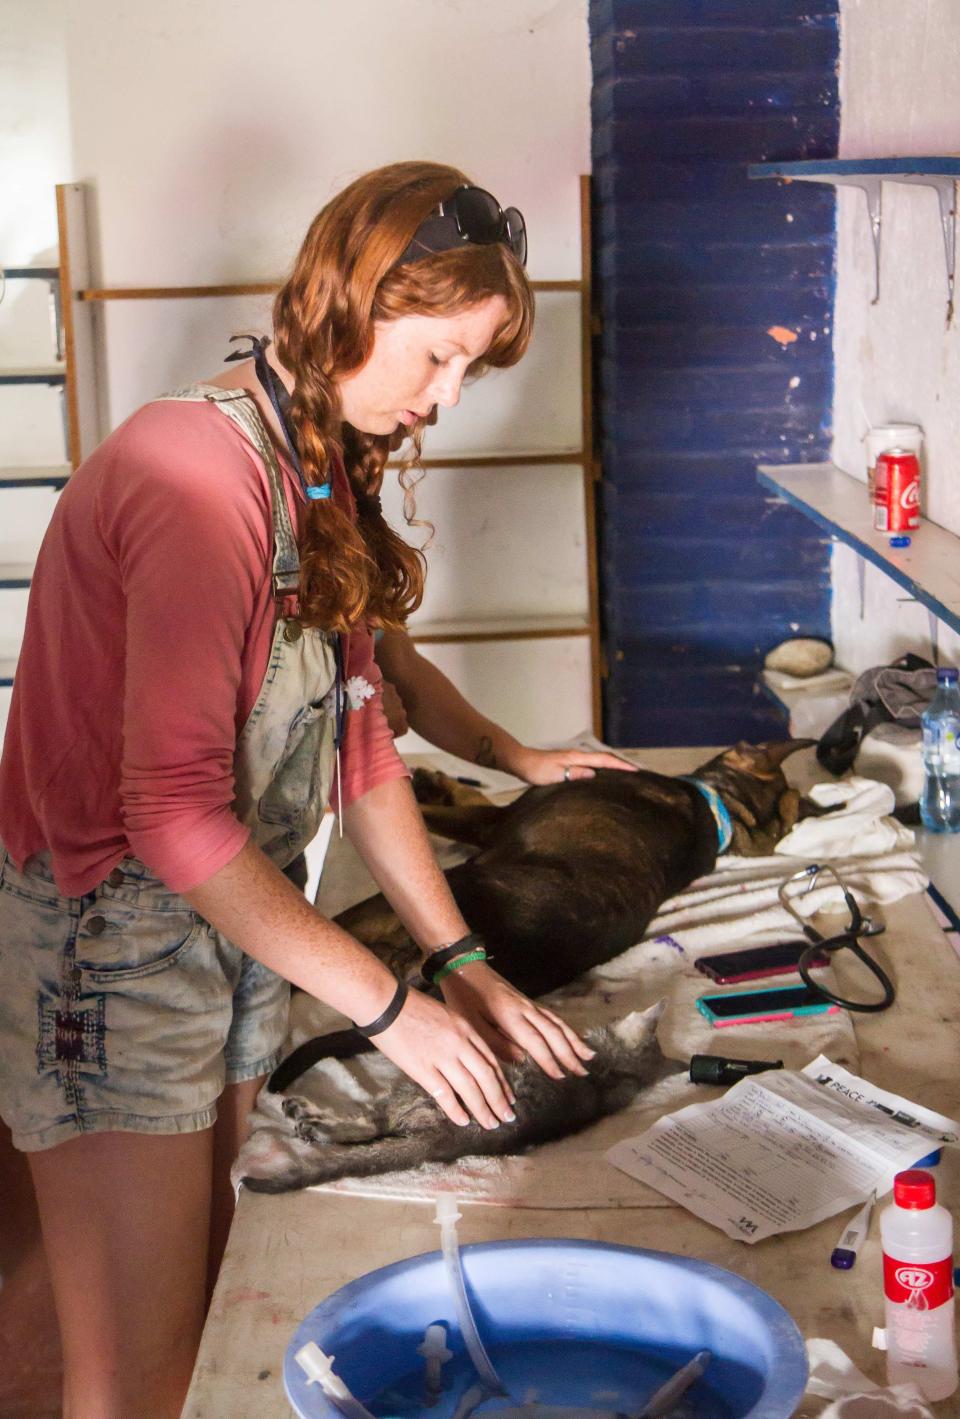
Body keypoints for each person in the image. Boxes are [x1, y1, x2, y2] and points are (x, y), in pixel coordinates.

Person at [0, 162, 595, 1419]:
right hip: (108, 938)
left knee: (215, 1303)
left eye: (470, 372)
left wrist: (461, 965)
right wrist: (392, 1008)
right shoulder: (196, 477)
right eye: (436, 357)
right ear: (353, 303)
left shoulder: (319, 460)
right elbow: (165, 812)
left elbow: (362, 739)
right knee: (136, 1367)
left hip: (234, 917)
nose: (442, 402)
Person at [374, 626, 638, 785]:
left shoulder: (368, 545)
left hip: (374, 779)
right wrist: (355, 708)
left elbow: (402, 669)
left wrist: (520, 759)